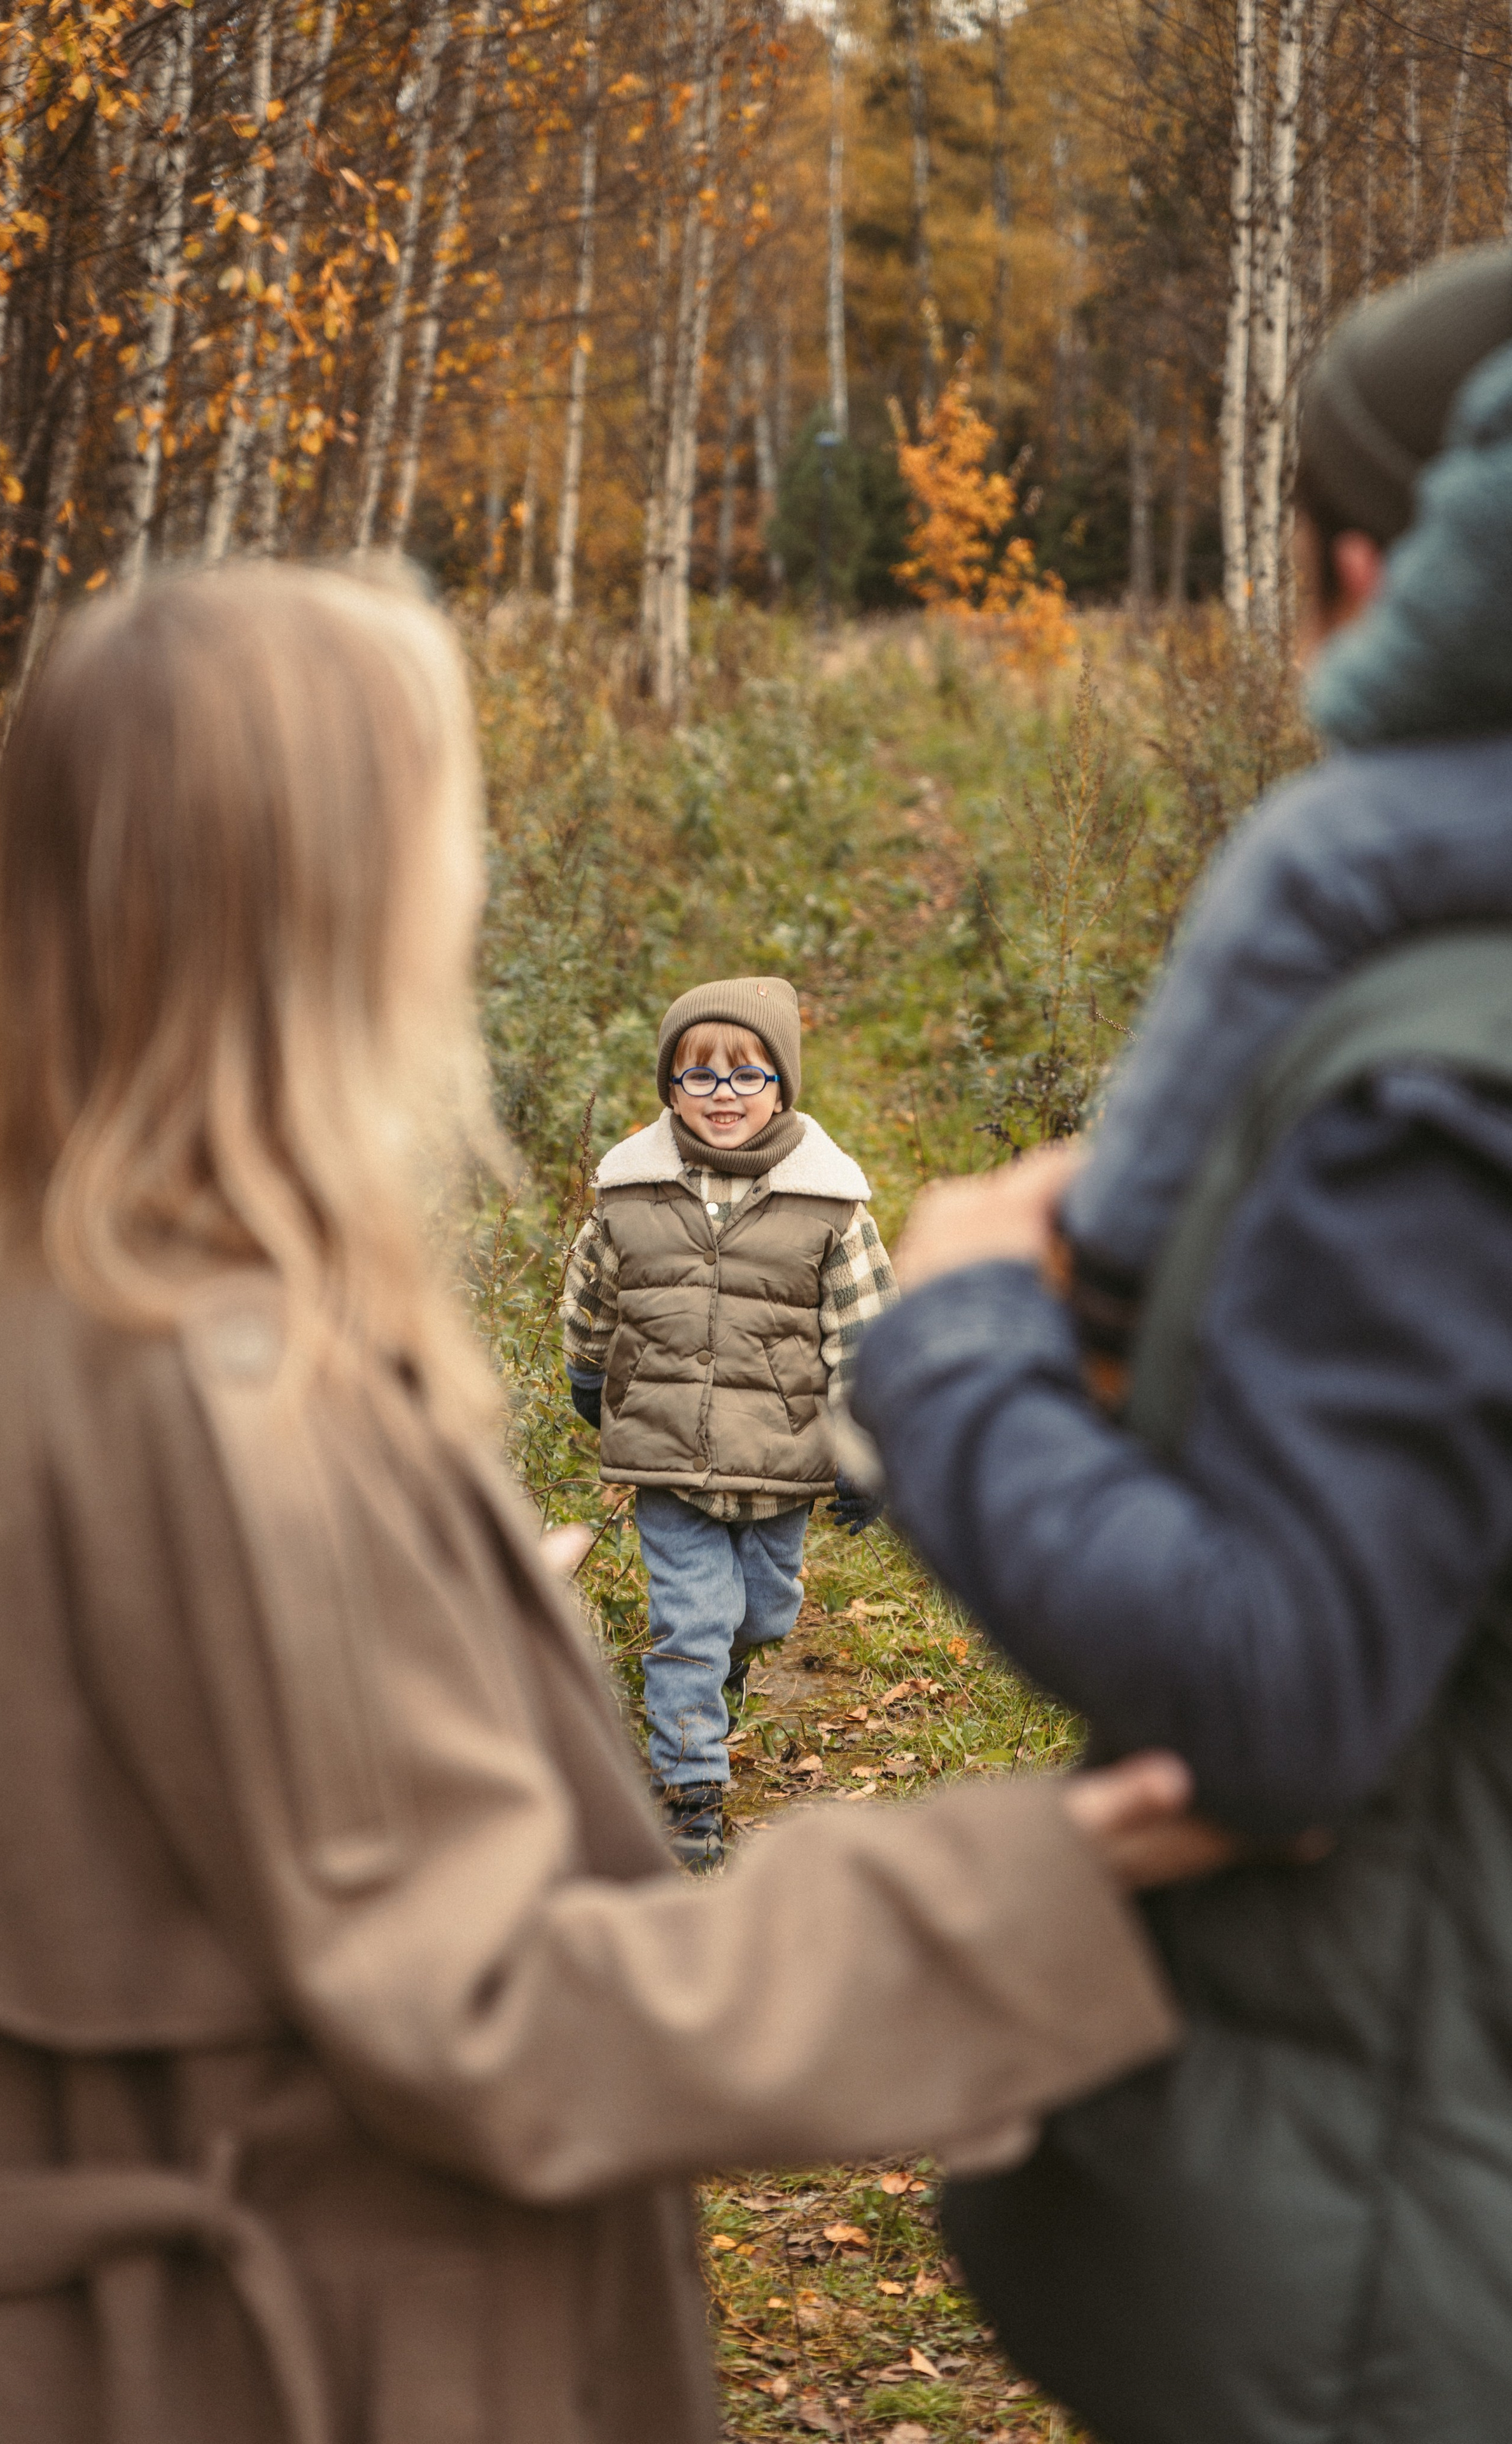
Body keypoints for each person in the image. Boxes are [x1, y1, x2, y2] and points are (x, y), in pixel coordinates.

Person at [0, 559, 1225, 2444]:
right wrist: (1032, 1881)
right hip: (338, 2360)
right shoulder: (225, 1397)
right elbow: (492, 2018)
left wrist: (437, 1608)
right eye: (449, 827)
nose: (472, 881)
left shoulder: (48, 1294)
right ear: (335, 897)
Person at [851, 241, 1512, 2444]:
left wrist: (960, 1341)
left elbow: (1278, 1692)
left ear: (1361, 575)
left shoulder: (1434, 1080)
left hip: (1399, 2259)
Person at [562, 976, 895, 1867]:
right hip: (667, 1449)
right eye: (699, 1076)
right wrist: (589, 1369)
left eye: (747, 1076)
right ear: (670, 1088)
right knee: (691, 1623)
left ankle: (725, 1675)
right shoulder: (630, 1191)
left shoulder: (829, 1203)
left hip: (782, 1456)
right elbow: (593, 1293)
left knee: (762, 1613)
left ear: (781, 1087)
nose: (723, 1096)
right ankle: (691, 1794)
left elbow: (865, 1331)